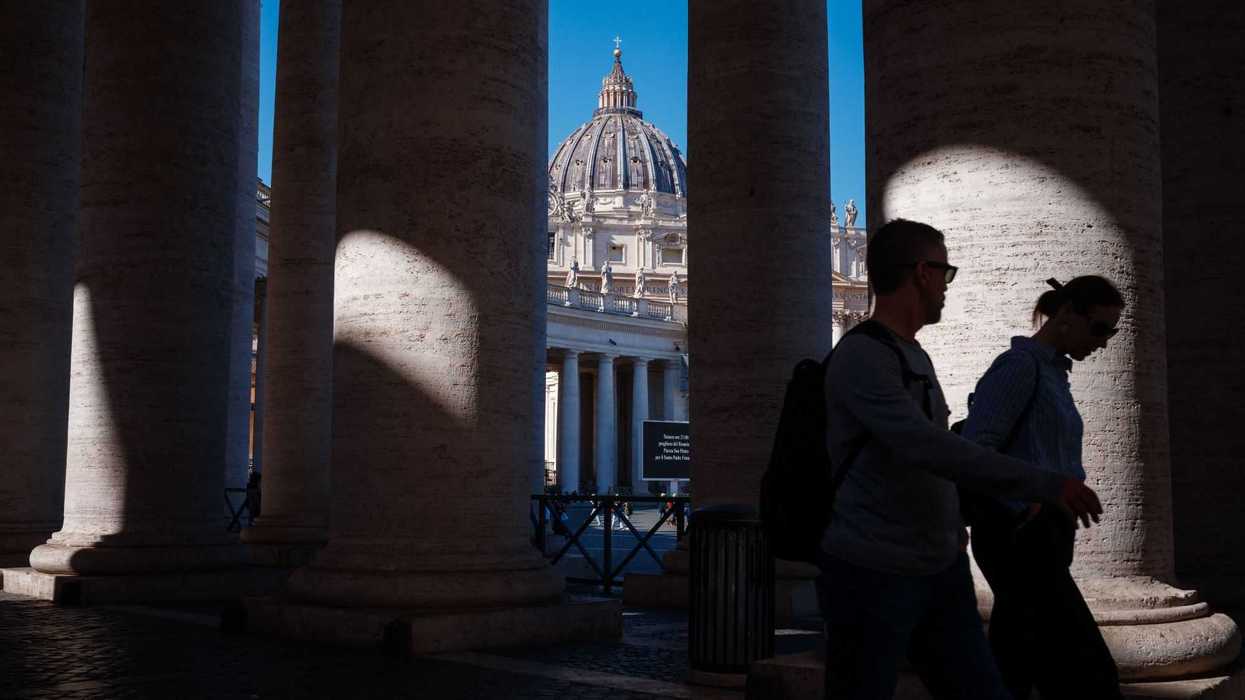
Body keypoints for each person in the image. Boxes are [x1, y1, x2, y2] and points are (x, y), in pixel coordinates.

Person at [818, 218, 1104, 700]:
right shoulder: (861, 358)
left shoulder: (912, 354)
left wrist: (953, 525)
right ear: (923, 273)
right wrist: (1045, 484)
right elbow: (932, 448)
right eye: (946, 274)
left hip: (938, 566)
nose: (948, 288)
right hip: (872, 570)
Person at [961, 276, 1125, 700]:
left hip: (1044, 538)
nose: (1104, 342)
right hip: (1019, 539)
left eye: (1112, 331)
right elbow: (975, 449)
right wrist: (1025, 504)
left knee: (1015, 663)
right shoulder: (1020, 367)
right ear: (1068, 314)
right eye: (1101, 328)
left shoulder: (1054, 374)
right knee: (1089, 674)